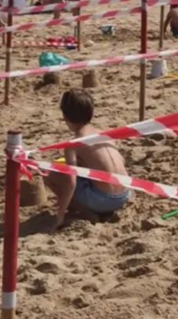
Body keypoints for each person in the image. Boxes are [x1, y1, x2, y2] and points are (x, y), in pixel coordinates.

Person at [45, 89, 131, 229]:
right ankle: (90, 205)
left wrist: (60, 214)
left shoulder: (74, 144)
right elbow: (121, 161)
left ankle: (85, 211)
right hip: (124, 195)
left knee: (53, 174)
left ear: (65, 116)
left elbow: (70, 182)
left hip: (102, 200)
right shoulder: (105, 134)